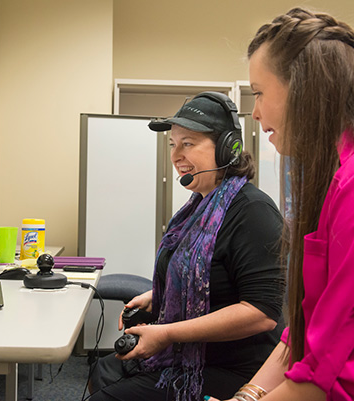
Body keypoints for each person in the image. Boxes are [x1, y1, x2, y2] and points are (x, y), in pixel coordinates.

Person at [211, 8, 354, 401]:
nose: (255, 113)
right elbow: (308, 331)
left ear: (303, 88)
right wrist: (247, 396)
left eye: (259, 93)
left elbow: (343, 377)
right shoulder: (343, 173)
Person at [88, 92, 285, 401]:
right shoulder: (199, 207)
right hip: (191, 354)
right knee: (104, 369)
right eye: (172, 144)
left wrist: (166, 333)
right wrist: (158, 295)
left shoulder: (252, 211)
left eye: (188, 144)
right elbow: (207, 276)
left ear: (227, 149)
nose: (176, 155)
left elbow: (262, 312)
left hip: (233, 368)